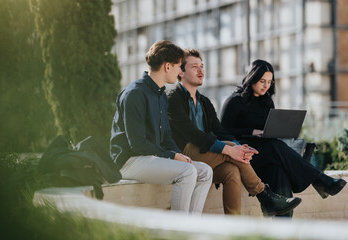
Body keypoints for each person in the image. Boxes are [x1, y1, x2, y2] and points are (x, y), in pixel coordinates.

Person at [167, 49, 301, 216]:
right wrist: (231, 149)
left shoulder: (204, 102)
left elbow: (220, 131)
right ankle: (264, 196)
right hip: (182, 154)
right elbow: (193, 135)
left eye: (202, 66)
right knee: (230, 149)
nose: (201, 70)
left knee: (232, 171)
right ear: (180, 71)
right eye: (194, 67)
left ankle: (234, 226)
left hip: (204, 156)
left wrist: (241, 148)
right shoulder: (173, 99)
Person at [220, 59, 347, 217]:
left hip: (267, 154)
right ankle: (320, 180)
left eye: (269, 82)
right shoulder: (234, 101)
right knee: (274, 145)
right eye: (261, 81)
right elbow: (222, 132)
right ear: (251, 78)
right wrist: (252, 131)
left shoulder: (267, 102)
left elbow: (268, 131)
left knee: (279, 173)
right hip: (244, 153)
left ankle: (283, 227)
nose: (266, 85)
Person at [110, 40, 212, 215]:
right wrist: (171, 156)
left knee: (205, 171)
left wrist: (178, 155)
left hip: (150, 156)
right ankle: (178, 230)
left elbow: (165, 137)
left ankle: (192, 226)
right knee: (187, 173)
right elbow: (137, 144)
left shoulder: (161, 95)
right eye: (179, 66)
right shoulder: (134, 93)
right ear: (167, 66)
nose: (180, 72)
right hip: (129, 160)